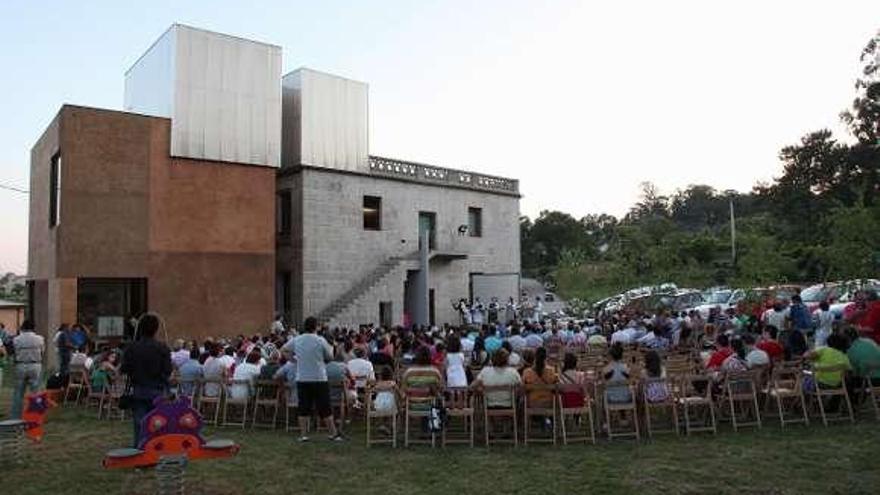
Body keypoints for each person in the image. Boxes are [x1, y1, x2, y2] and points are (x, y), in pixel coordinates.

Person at [282, 316, 342, 442]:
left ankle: (303, 434)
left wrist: (293, 360)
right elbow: (330, 357)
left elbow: (284, 350)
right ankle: (333, 433)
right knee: (325, 407)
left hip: (303, 377)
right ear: (316, 327)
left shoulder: (297, 339)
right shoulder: (320, 340)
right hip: (319, 377)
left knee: (303, 407)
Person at [120, 314, 172, 448]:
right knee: (158, 423)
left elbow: (125, 368)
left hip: (139, 389)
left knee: (140, 423)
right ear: (156, 329)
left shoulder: (131, 348)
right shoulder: (162, 348)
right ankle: (156, 449)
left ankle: (140, 450)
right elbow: (167, 370)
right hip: (157, 390)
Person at [11, 320, 45, 419]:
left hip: (20, 365)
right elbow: (42, 352)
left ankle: (16, 417)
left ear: (23, 327)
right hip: (35, 365)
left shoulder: (16, 339)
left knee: (18, 393)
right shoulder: (40, 339)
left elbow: (14, 352)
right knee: (36, 392)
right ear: (33, 327)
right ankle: (36, 416)